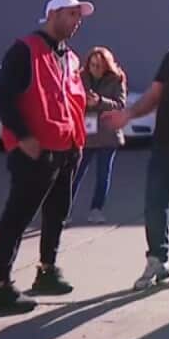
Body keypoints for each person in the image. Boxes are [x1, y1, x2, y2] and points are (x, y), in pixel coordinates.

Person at [0, 0, 93, 314]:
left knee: (57, 213)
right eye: (72, 14)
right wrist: (24, 137)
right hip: (35, 150)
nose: (77, 21)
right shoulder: (24, 50)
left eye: (79, 16)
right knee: (17, 217)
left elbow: (71, 97)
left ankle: (47, 270)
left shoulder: (69, 56)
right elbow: (2, 98)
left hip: (68, 147)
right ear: (53, 14)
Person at [104, 4, 169, 290]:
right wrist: (127, 115)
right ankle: (157, 259)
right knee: (155, 204)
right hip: (165, 145)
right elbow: (154, 95)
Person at [71, 46, 126, 225]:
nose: (95, 69)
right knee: (75, 174)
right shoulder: (80, 77)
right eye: (93, 65)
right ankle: (65, 211)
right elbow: (71, 100)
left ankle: (96, 209)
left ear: (106, 66)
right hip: (85, 134)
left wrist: (100, 101)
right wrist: (85, 103)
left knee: (103, 175)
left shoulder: (117, 78)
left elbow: (120, 104)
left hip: (107, 134)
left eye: (99, 66)